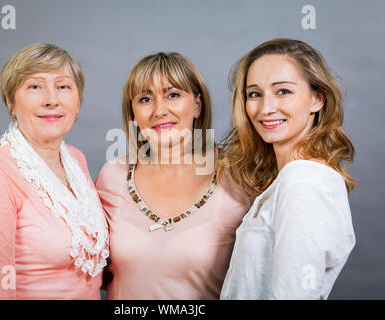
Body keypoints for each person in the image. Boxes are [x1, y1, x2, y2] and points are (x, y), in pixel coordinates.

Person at [95, 52, 250, 299]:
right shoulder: (112, 175)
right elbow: (91, 272)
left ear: (197, 105)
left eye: (173, 95)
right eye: (145, 99)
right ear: (133, 113)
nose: (159, 110)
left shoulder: (239, 176)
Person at [0, 43, 109, 300]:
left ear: (78, 101)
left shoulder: (76, 159)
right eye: (35, 86)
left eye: (63, 87)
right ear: (10, 101)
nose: (52, 100)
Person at [219, 38, 356, 300]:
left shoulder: (302, 181)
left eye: (283, 91)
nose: (266, 108)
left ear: (317, 98)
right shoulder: (288, 180)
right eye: (254, 94)